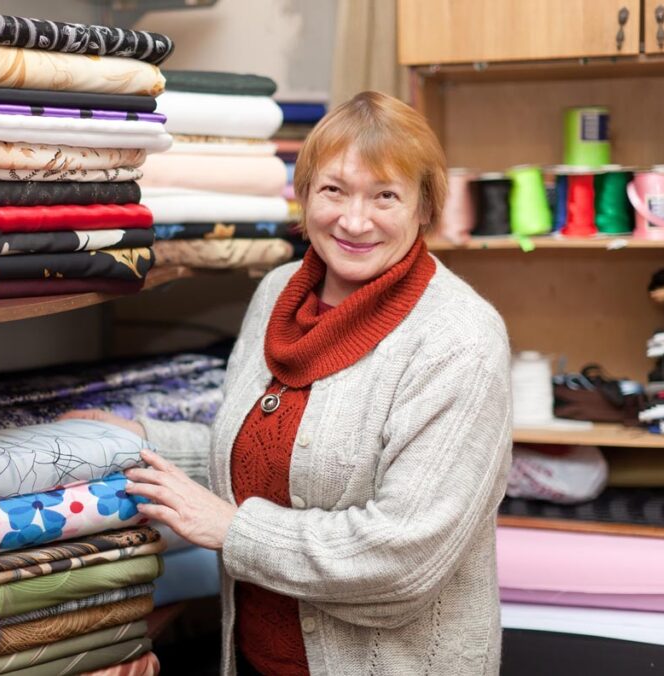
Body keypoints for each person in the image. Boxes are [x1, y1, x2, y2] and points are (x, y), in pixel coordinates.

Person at [62, 90, 512, 675]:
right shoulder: (278, 293)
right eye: (333, 190)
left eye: (385, 196)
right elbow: (271, 459)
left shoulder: (459, 339)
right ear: (302, 196)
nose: (354, 220)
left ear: (425, 207)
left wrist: (232, 529)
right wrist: (138, 440)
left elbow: (404, 558)